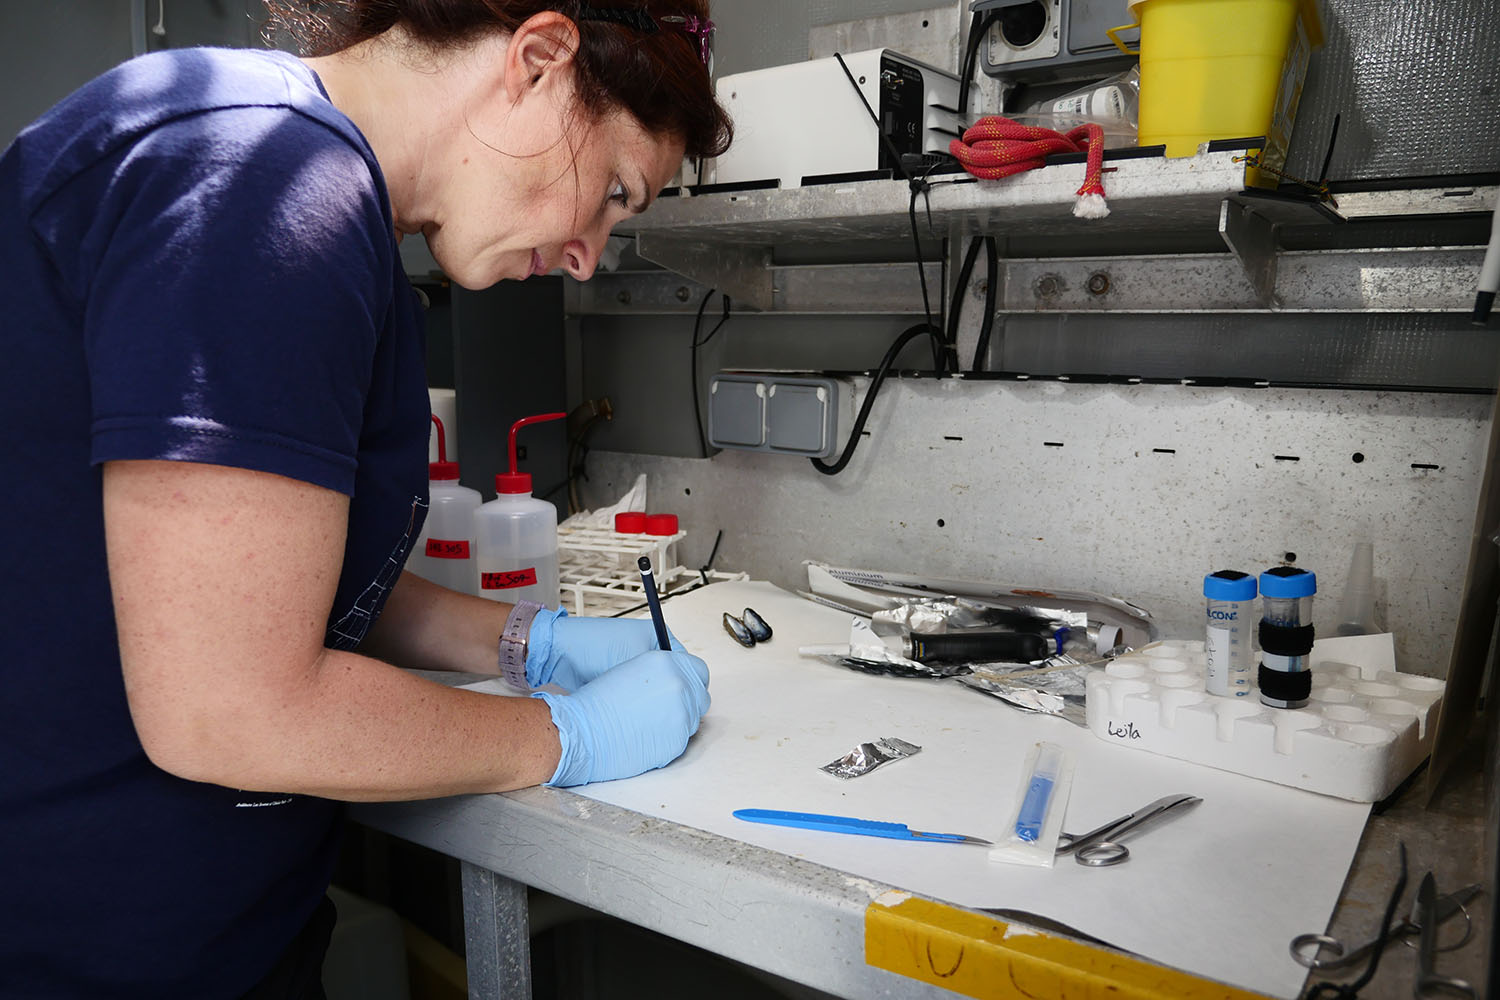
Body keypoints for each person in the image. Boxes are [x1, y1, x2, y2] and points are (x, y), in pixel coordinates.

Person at [0, 1, 732, 996]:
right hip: (83, 951)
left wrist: (527, 641)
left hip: (186, 925)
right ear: (541, 57)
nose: (587, 254)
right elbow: (229, 709)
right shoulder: (265, 182)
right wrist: (568, 736)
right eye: (610, 190)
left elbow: (270, 581)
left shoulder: (307, 190)